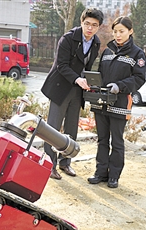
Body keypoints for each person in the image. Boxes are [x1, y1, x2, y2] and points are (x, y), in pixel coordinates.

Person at [41, 8, 104, 180]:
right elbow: (61, 65)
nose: (90, 28)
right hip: (61, 87)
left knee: (71, 127)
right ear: (82, 22)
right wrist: (77, 79)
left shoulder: (96, 42)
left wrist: (89, 82)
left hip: (79, 90)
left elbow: (89, 67)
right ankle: (49, 164)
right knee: (53, 128)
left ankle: (65, 163)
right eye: (87, 24)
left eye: (94, 25)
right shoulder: (68, 38)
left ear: (98, 27)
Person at [88, 16, 146, 188]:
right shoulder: (107, 51)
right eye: (115, 31)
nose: (118, 35)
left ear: (130, 31)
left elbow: (139, 78)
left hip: (120, 103)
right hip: (101, 102)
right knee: (102, 139)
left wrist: (120, 86)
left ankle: (114, 176)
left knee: (117, 141)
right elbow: (100, 73)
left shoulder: (138, 54)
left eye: (121, 31)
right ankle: (100, 173)